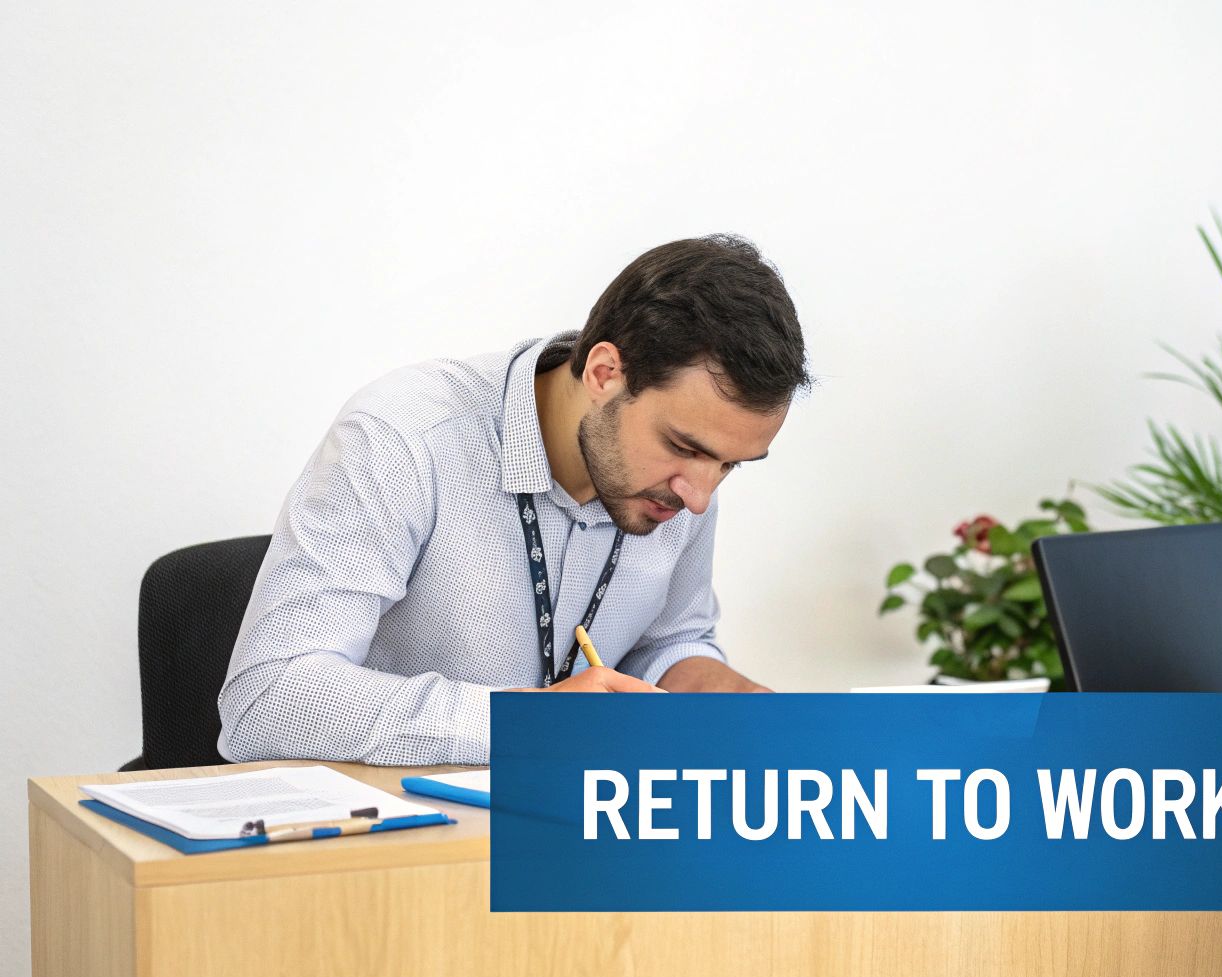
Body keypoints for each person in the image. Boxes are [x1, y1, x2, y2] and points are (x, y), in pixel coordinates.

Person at [218, 234, 806, 766]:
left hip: (572, 841)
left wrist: (716, 689)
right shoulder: (405, 437)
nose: (700, 497)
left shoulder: (678, 483)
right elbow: (268, 698)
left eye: (730, 464)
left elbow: (667, 642)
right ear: (604, 373)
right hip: (395, 852)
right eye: (684, 446)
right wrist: (528, 723)